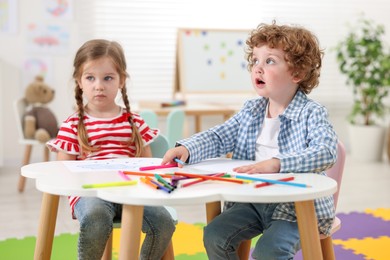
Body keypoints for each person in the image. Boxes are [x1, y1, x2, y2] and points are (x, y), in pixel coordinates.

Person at [162, 21, 338, 259]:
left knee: (269, 251)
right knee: (214, 234)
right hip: (253, 201)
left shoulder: (311, 112)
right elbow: (221, 135)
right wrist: (187, 147)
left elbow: (326, 151)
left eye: (270, 61)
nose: (258, 68)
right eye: (255, 60)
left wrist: (276, 163)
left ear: (297, 73)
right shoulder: (252, 109)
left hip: (296, 209)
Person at [47, 39, 175, 260]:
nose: (99, 85)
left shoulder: (134, 121)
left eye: (108, 78)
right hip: (91, 195)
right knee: (96, 218)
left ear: (121, 80)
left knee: (163, 222)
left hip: (132, 193)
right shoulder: (72, 125)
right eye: (90, 78)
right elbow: (63, 172)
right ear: (79, 81)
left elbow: (146, 166)